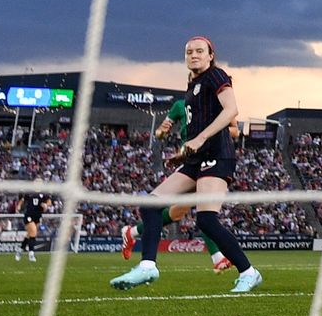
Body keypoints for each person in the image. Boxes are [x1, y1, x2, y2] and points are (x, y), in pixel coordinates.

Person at [110, 36, 262, 294]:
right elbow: (194, 129)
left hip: (217, 155)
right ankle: (147, 266)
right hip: (195, 159)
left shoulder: (216, 76)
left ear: (210, 55)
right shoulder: (191, 88)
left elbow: (232, 110)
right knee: (150, 205)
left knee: (206, 220)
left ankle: (249, 272)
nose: (193, 55)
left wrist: (202, 137)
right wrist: (183, 155)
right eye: (189, 51)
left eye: (199, 51)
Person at [120, 95, 230, 273]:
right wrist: (162, 131)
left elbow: (235, 131)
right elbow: (160, 132)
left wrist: (219, 129)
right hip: (192, 160)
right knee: (204, 209)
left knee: (177, 213)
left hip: (211, 157)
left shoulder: (219, 106)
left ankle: (132, 233)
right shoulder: (180, 106)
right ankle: (217, 257)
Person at [16, 190, 50, 262]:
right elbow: (23, 200)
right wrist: (19, 206)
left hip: (37, 216)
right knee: (33, 232)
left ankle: (20, 250)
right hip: (29, 215)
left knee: (30, 235)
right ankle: (31, 254)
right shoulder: (30, 192)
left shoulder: (44, 193)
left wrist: (46, 205)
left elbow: (49, 201)